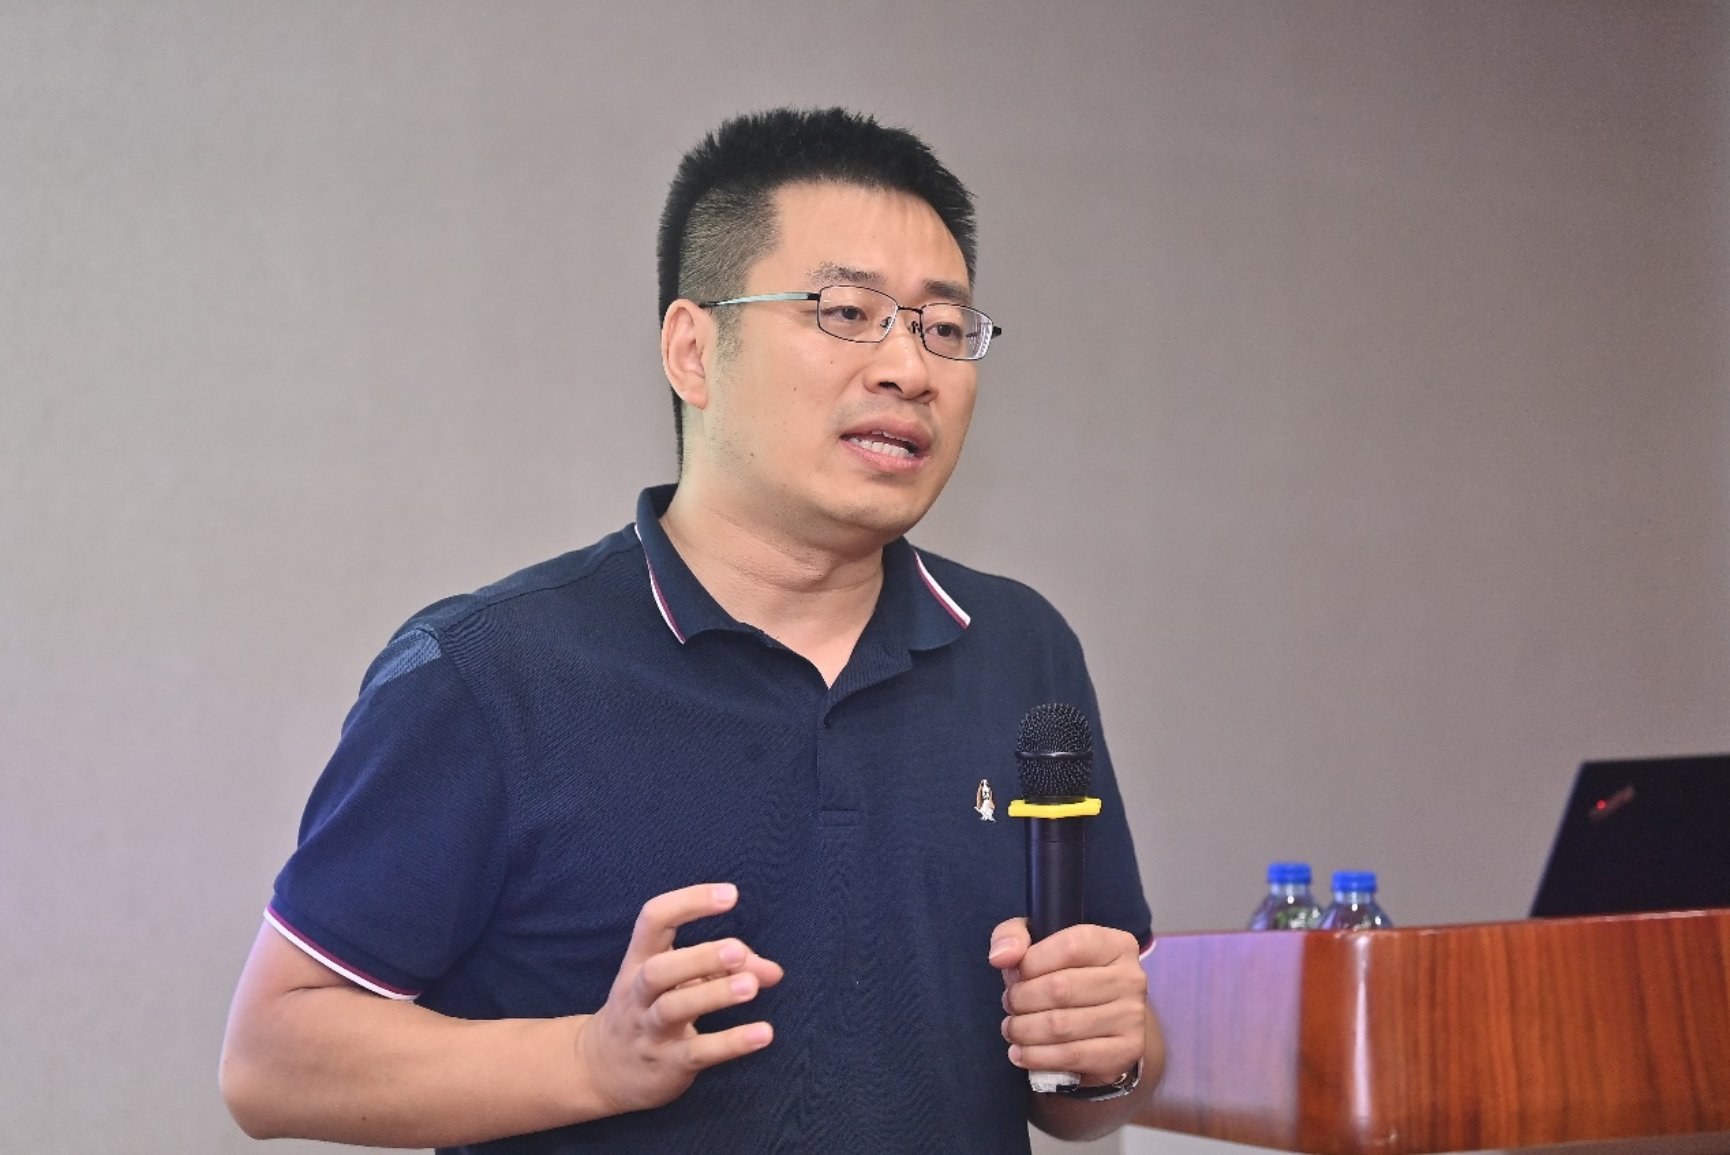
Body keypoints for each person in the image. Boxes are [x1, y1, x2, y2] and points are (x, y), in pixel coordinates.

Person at [220, 107, 1164, 1154]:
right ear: (692, 349)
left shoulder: (1020, 649)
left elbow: (1084, 1090)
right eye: (847, 312)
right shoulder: (489, 672)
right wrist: (589, 1060)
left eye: (943, 327)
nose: (909, 366)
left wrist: (1108, 1052)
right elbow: (271, 1060)